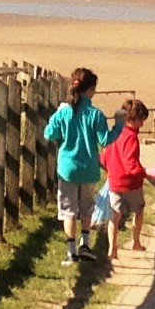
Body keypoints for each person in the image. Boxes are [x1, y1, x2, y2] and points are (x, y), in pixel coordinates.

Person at [42, 68, 118, 264]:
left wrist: (55, 115)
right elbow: (105, 140)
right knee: (86, 208)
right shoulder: (96, 115)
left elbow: (49, 134)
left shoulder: (64, 112)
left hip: (67, 169)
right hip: (89, 168)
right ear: (91, 89)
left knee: (68, 210)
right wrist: (119, 125)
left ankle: (70, 251)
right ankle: (85, 245)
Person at [103, 98, 155, 257]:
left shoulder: (115, 133)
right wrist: (143, 172)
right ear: (136, 119)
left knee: (114, 215)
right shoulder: (131, 137)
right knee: (139, 210)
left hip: (114, 181)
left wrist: (109, 169)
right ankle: (136, 242)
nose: (143, 124)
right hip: (131, 183)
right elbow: (130, 162)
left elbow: (104, 156)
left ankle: (112, 248)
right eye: (142, 120)